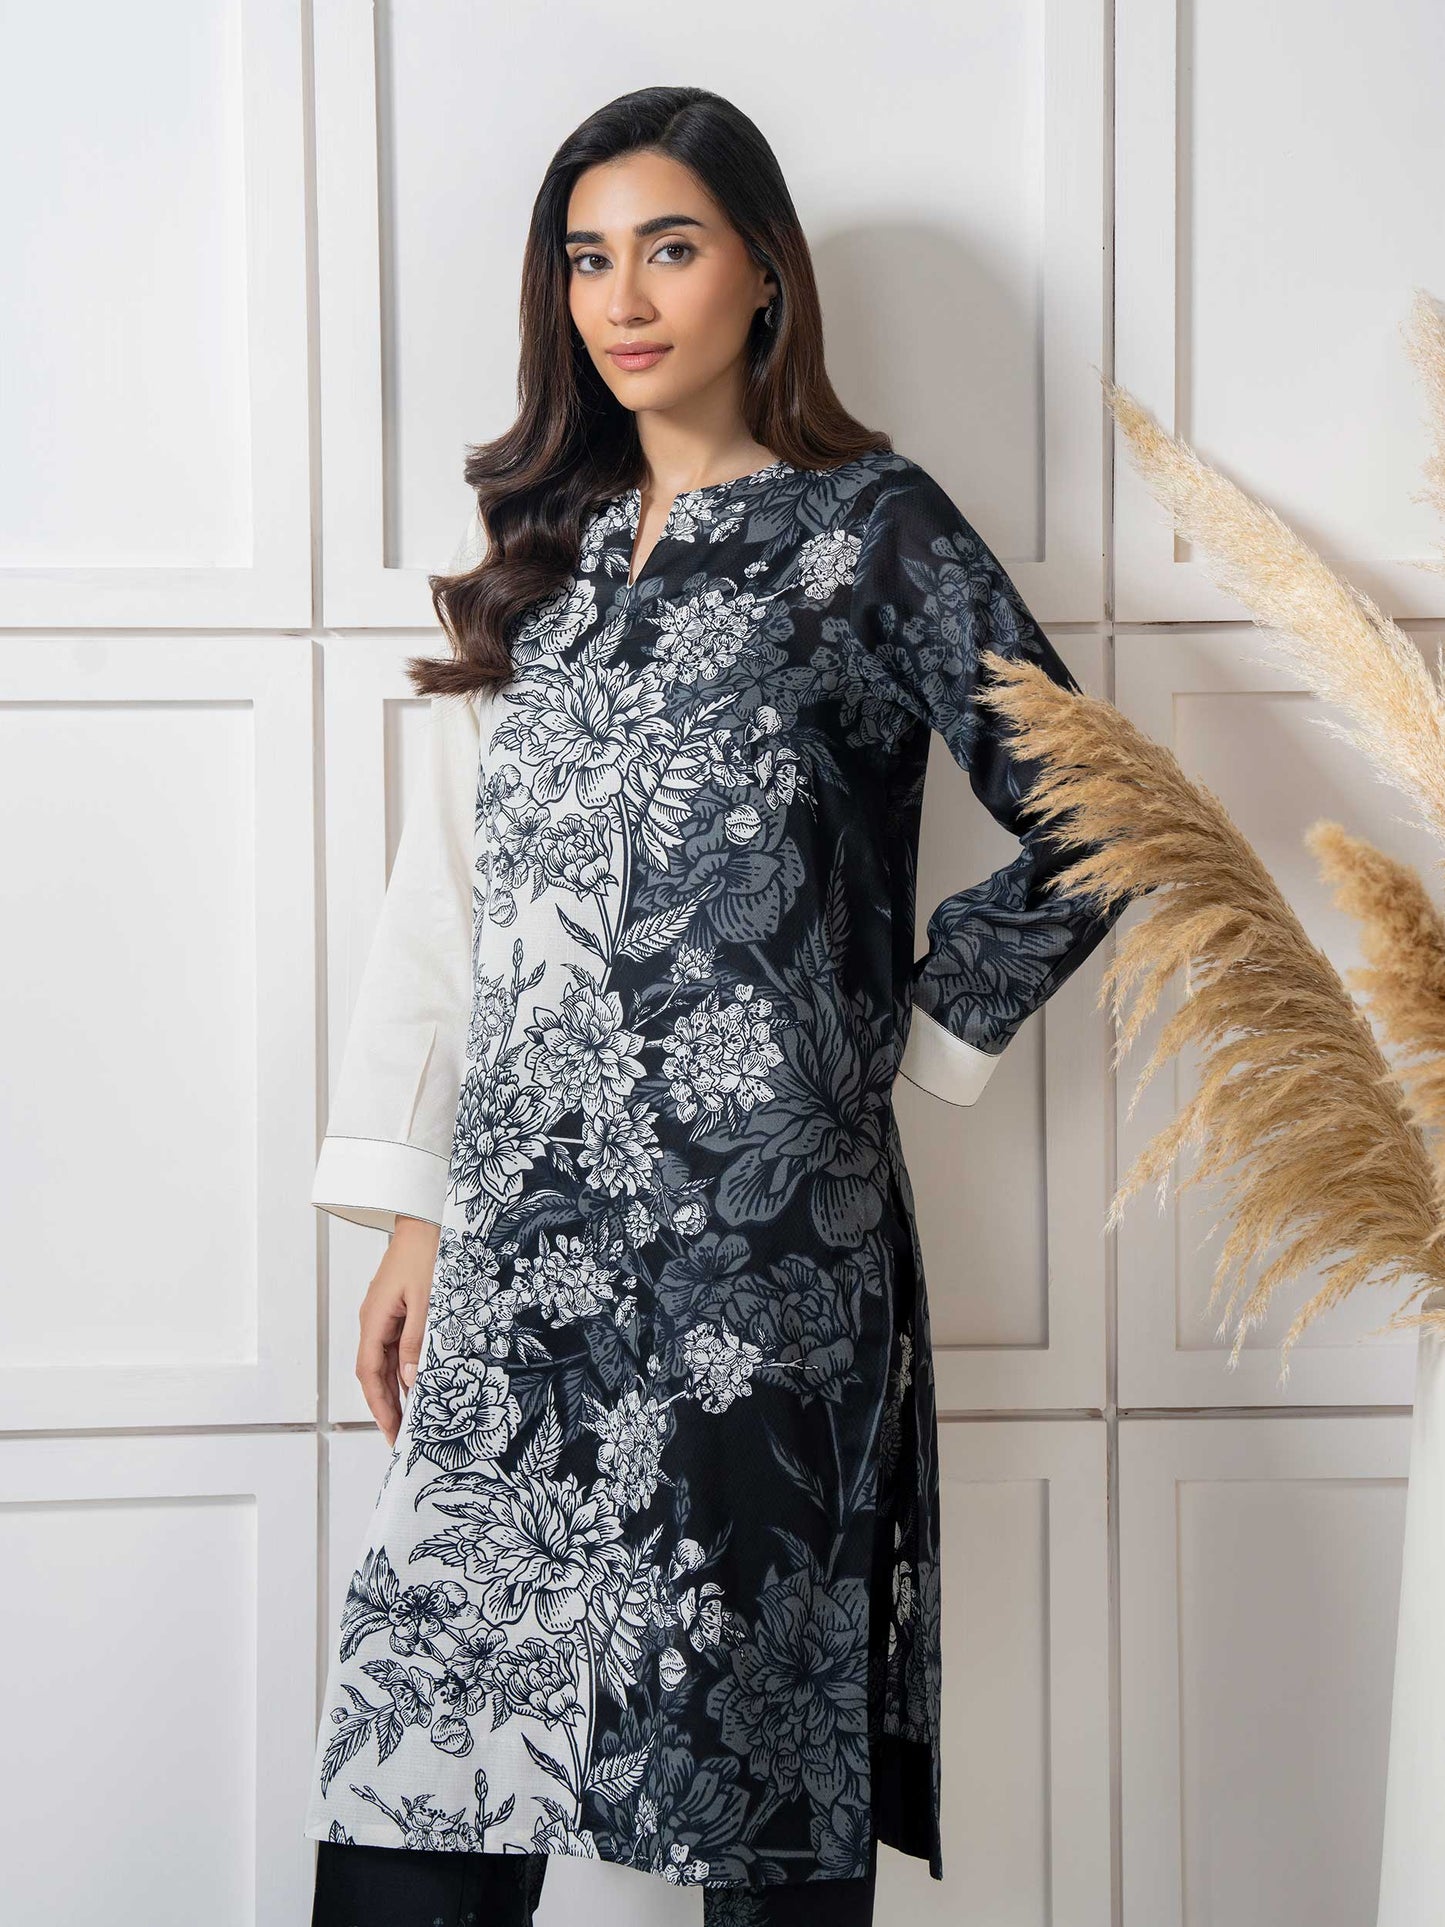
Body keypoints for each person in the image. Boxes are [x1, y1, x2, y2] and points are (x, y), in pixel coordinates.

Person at [306, 84, 1126, 1927]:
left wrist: (896, 1050)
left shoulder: (872, 530)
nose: (622, 296)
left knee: (757, 1795)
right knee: (420, 1778)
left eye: (667, 248)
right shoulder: (543, 546)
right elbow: (454, 898)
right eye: (586, 258)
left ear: (762, 271)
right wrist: (415, 1210)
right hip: (521, 1254)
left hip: (762, 1273)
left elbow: (1103, 813)